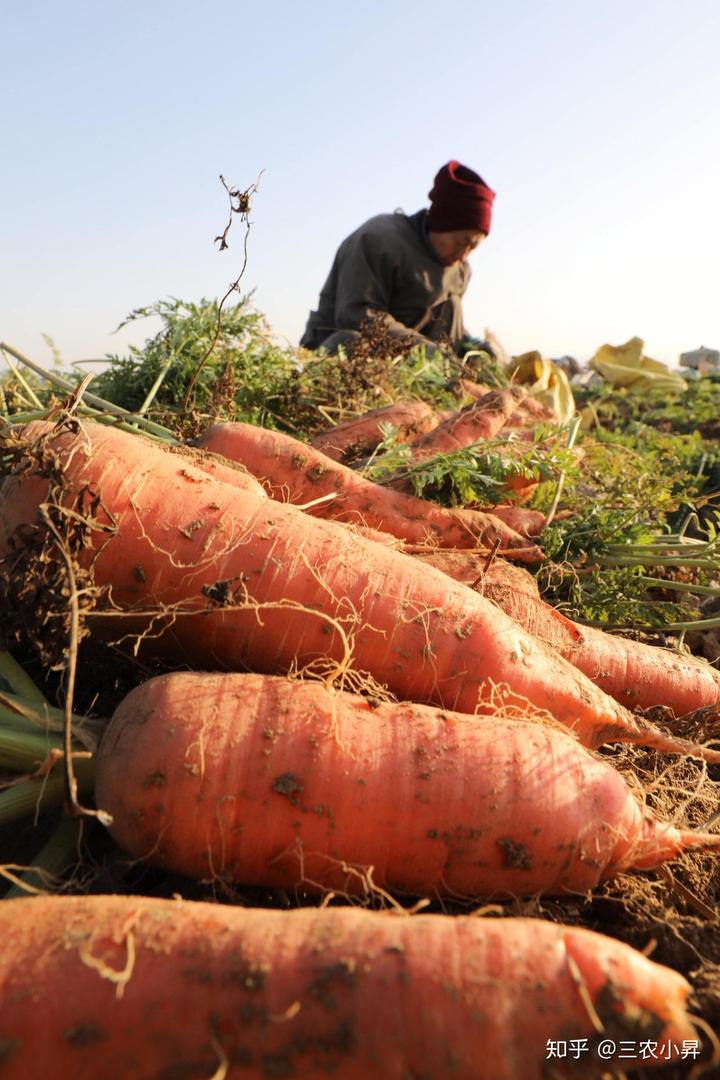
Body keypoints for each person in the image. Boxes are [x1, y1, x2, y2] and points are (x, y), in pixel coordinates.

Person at [300, 161, 495, 356]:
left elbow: (442, 326)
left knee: (453, 307)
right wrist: (426, 351)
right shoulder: (378, 240)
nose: (463, 254)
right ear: (441, 223)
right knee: (349, 342)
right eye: (460, 242)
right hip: (347, 347)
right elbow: (358, 316)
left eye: (473, 247)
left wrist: (473, 349)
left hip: (411, 359)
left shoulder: (460, 270)